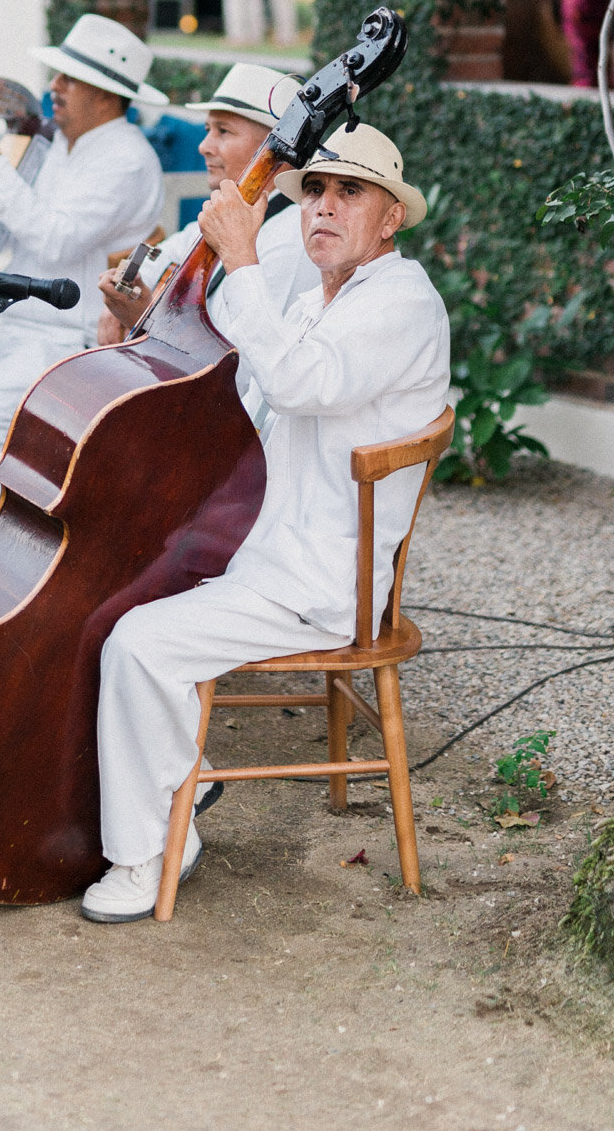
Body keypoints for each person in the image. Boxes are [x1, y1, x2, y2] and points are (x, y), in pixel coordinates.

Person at [81, 123, 451, 923]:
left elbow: (291, 383)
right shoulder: (332, 295)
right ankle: (177, 779)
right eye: (314, 190)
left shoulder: (399, 305)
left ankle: (149, 854)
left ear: (391, 219)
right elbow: (246, 387)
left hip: (315, 578)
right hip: (263, 542)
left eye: (349, 192)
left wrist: (244, 260)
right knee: (97, 585)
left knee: (137, 644)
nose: (323, 206)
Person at [0, 13, 167, 467]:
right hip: (6, 319)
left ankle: (68, 511)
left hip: (66, 337)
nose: (53, 86)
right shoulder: (62, 143)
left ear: (103, 94)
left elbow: (54, 241)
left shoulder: (127, 160)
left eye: (68, 79)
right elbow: (15, 226)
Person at [97, 63, 314, 386]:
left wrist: (146, 322)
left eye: (223, 132)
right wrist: (123, 291)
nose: (204, 146)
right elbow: (165, 256)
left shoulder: (292, 240)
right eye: (208, 130)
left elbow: (236, 372)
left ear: (275, 149)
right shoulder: (230, 214)